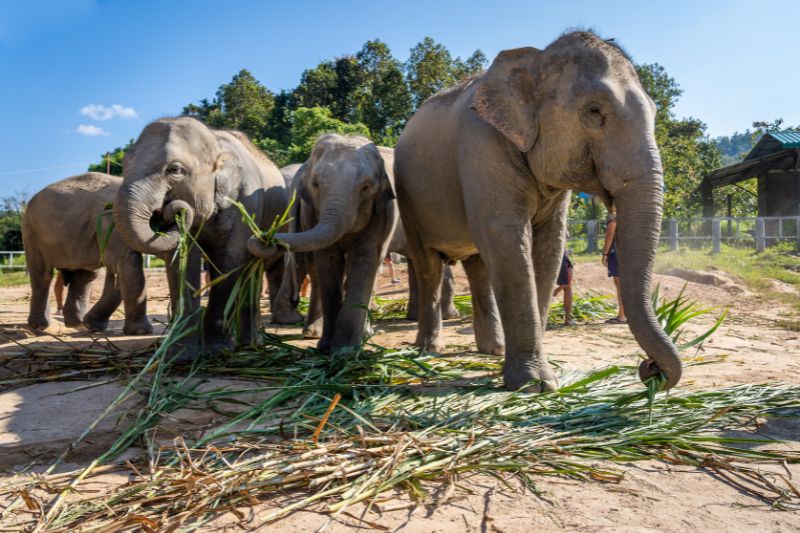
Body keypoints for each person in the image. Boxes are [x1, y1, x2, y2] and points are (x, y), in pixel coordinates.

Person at [602, 207, 626, 324]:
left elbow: (610, 234)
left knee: (620, 284)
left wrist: (605, 253)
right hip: (626, 253)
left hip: (616, 253)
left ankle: (622, 315)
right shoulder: (627, 214)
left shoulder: (614, 216)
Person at [552, 248, 574, 326]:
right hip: (559, 255)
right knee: (568, 287)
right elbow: (567, 284)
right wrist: (557, 290)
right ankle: (568, 318)